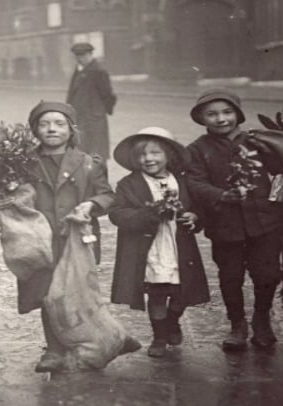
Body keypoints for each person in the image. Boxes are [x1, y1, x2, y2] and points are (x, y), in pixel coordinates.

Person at [0, 101, 139, 372]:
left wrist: (90, 205)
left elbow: (107, 195)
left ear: (71, 129)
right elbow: (6, 195)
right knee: (48, 294)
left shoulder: (88, 163)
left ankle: (101, 336)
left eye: (59, 124)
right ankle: (54, 349)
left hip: (76, 238)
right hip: (38, 240)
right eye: (44, 124)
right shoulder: (22, 164)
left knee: (80, 292)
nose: (52, 129)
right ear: (34, 130)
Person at [185, 89, 283, 351]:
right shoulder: (197, 150)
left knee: (268, 273)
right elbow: (194, 182)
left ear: (238, 114)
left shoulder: (257, 142)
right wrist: (220, 195)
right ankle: (237, 324)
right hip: (225, 225)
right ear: (202, 119)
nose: (221, 119)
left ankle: (262, 318)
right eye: (212, 114)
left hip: (264, 222)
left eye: (227, 112)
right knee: (230, 276)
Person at [109, 127, 210, 357]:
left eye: (155, 153)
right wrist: (150, 214)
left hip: (179, 247)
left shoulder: (181, 181)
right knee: (157, 294)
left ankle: (172, 322)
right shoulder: (129, 184)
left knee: (180, 294)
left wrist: (194, 216)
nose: (148, 159)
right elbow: (117, 213)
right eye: (142, 155)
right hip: (152, 249)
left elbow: (197, 205)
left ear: (169, 156)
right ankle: (159, 337)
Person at [66, 42, 117, 159]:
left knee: (96, 150)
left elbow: (108, 95)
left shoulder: (99, 71)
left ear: (90, 54)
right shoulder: (78, 70)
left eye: (83, 56)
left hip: (94, 117)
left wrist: (101, 110)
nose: (80, 59)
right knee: (80, 148)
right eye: (77, 56)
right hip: (79, 116)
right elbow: (72, 92)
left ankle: (97, 175)